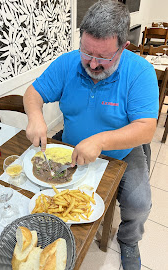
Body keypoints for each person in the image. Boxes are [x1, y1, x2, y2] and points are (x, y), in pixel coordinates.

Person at [23, 1, 159, 269]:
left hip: (121, 152)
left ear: (124, 47)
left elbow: (146, 128)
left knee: (139, 202)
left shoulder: (140, 72)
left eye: (105, 58)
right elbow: (33, 93)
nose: (93, 64)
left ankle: (129, 241)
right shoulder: (68, 63)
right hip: (70, 145)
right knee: (36, 188)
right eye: (86, 53)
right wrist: (36, 117)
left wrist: (100, 141)